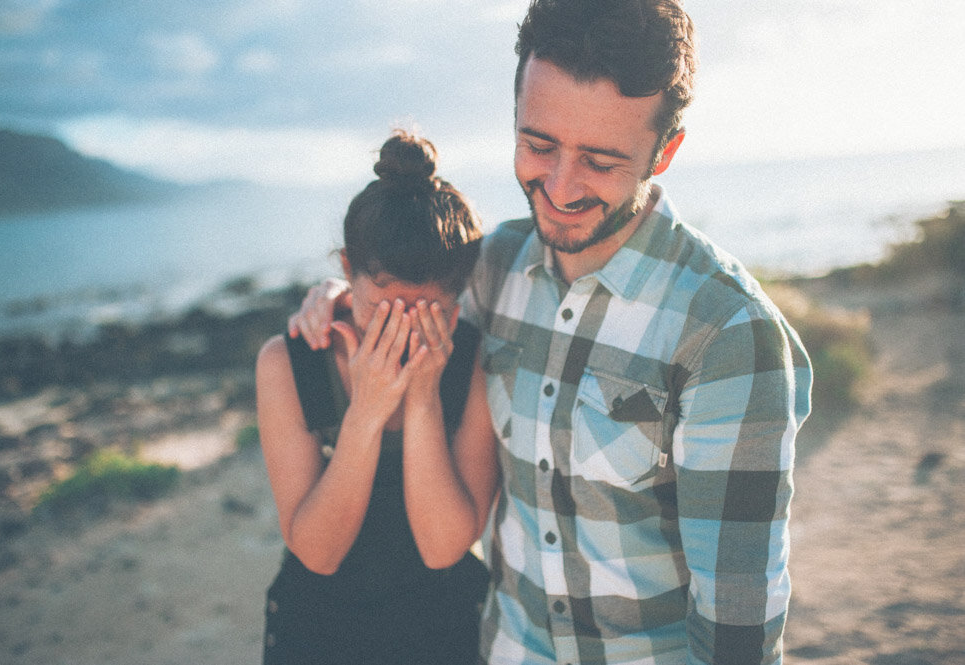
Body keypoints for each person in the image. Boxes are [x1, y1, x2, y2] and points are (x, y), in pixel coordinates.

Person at [289, 1, 814, 663]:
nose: (560, 187)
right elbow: (402, 280)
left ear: (665, 150)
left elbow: (737, 626)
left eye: (599, 160)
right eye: (538, 145)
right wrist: (335, 295)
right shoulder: (492, 268)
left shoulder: (727, 335)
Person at [256, 130, 499, 665]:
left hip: (443, 623)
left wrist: (421, 399)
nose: (400, 333)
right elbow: (317, 552)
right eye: (382, 309)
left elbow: (443, 549)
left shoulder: (473, 362)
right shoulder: (290, 362)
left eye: (424, 312)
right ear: (347, 269)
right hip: (318, 627)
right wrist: (364, 413)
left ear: (456, 308)